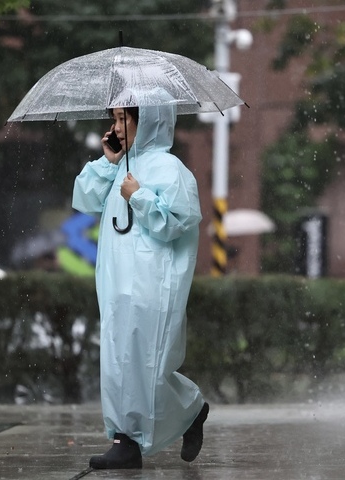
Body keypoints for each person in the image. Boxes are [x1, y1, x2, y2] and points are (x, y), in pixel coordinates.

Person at [72, 89, 209, 470]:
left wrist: (140, 196)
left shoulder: (170, 169)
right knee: (118, 359)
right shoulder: (117, 165)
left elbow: (178, 221)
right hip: (116, 282)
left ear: (146, 119)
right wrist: (107, 160)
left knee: (147, 363)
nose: (115, 127)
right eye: (114, 118)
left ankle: (186, 409)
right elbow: (84, 198)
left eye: (123, 119)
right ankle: (124, 438)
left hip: (153, 283)